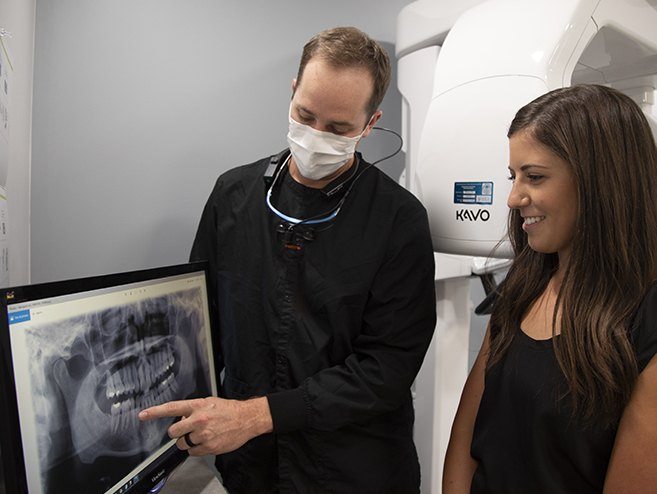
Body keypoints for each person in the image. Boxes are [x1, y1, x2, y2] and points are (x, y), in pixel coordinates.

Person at [139, 26, 436, 493]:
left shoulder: (399, 221)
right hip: (250, 467)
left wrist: (257, 415)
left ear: (371, 122)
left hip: (353, 470)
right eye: (306, 114)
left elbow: (388, 369)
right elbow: (199, 323)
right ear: (293, 91)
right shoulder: (232, 196)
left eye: (339, 128)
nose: (317, 136)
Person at [443, 84, 657, 493]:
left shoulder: (645, 323)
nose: (513, 197)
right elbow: (466, 445)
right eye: (514, 176)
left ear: (600, 182)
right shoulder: (520, 292)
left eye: (535, 177)